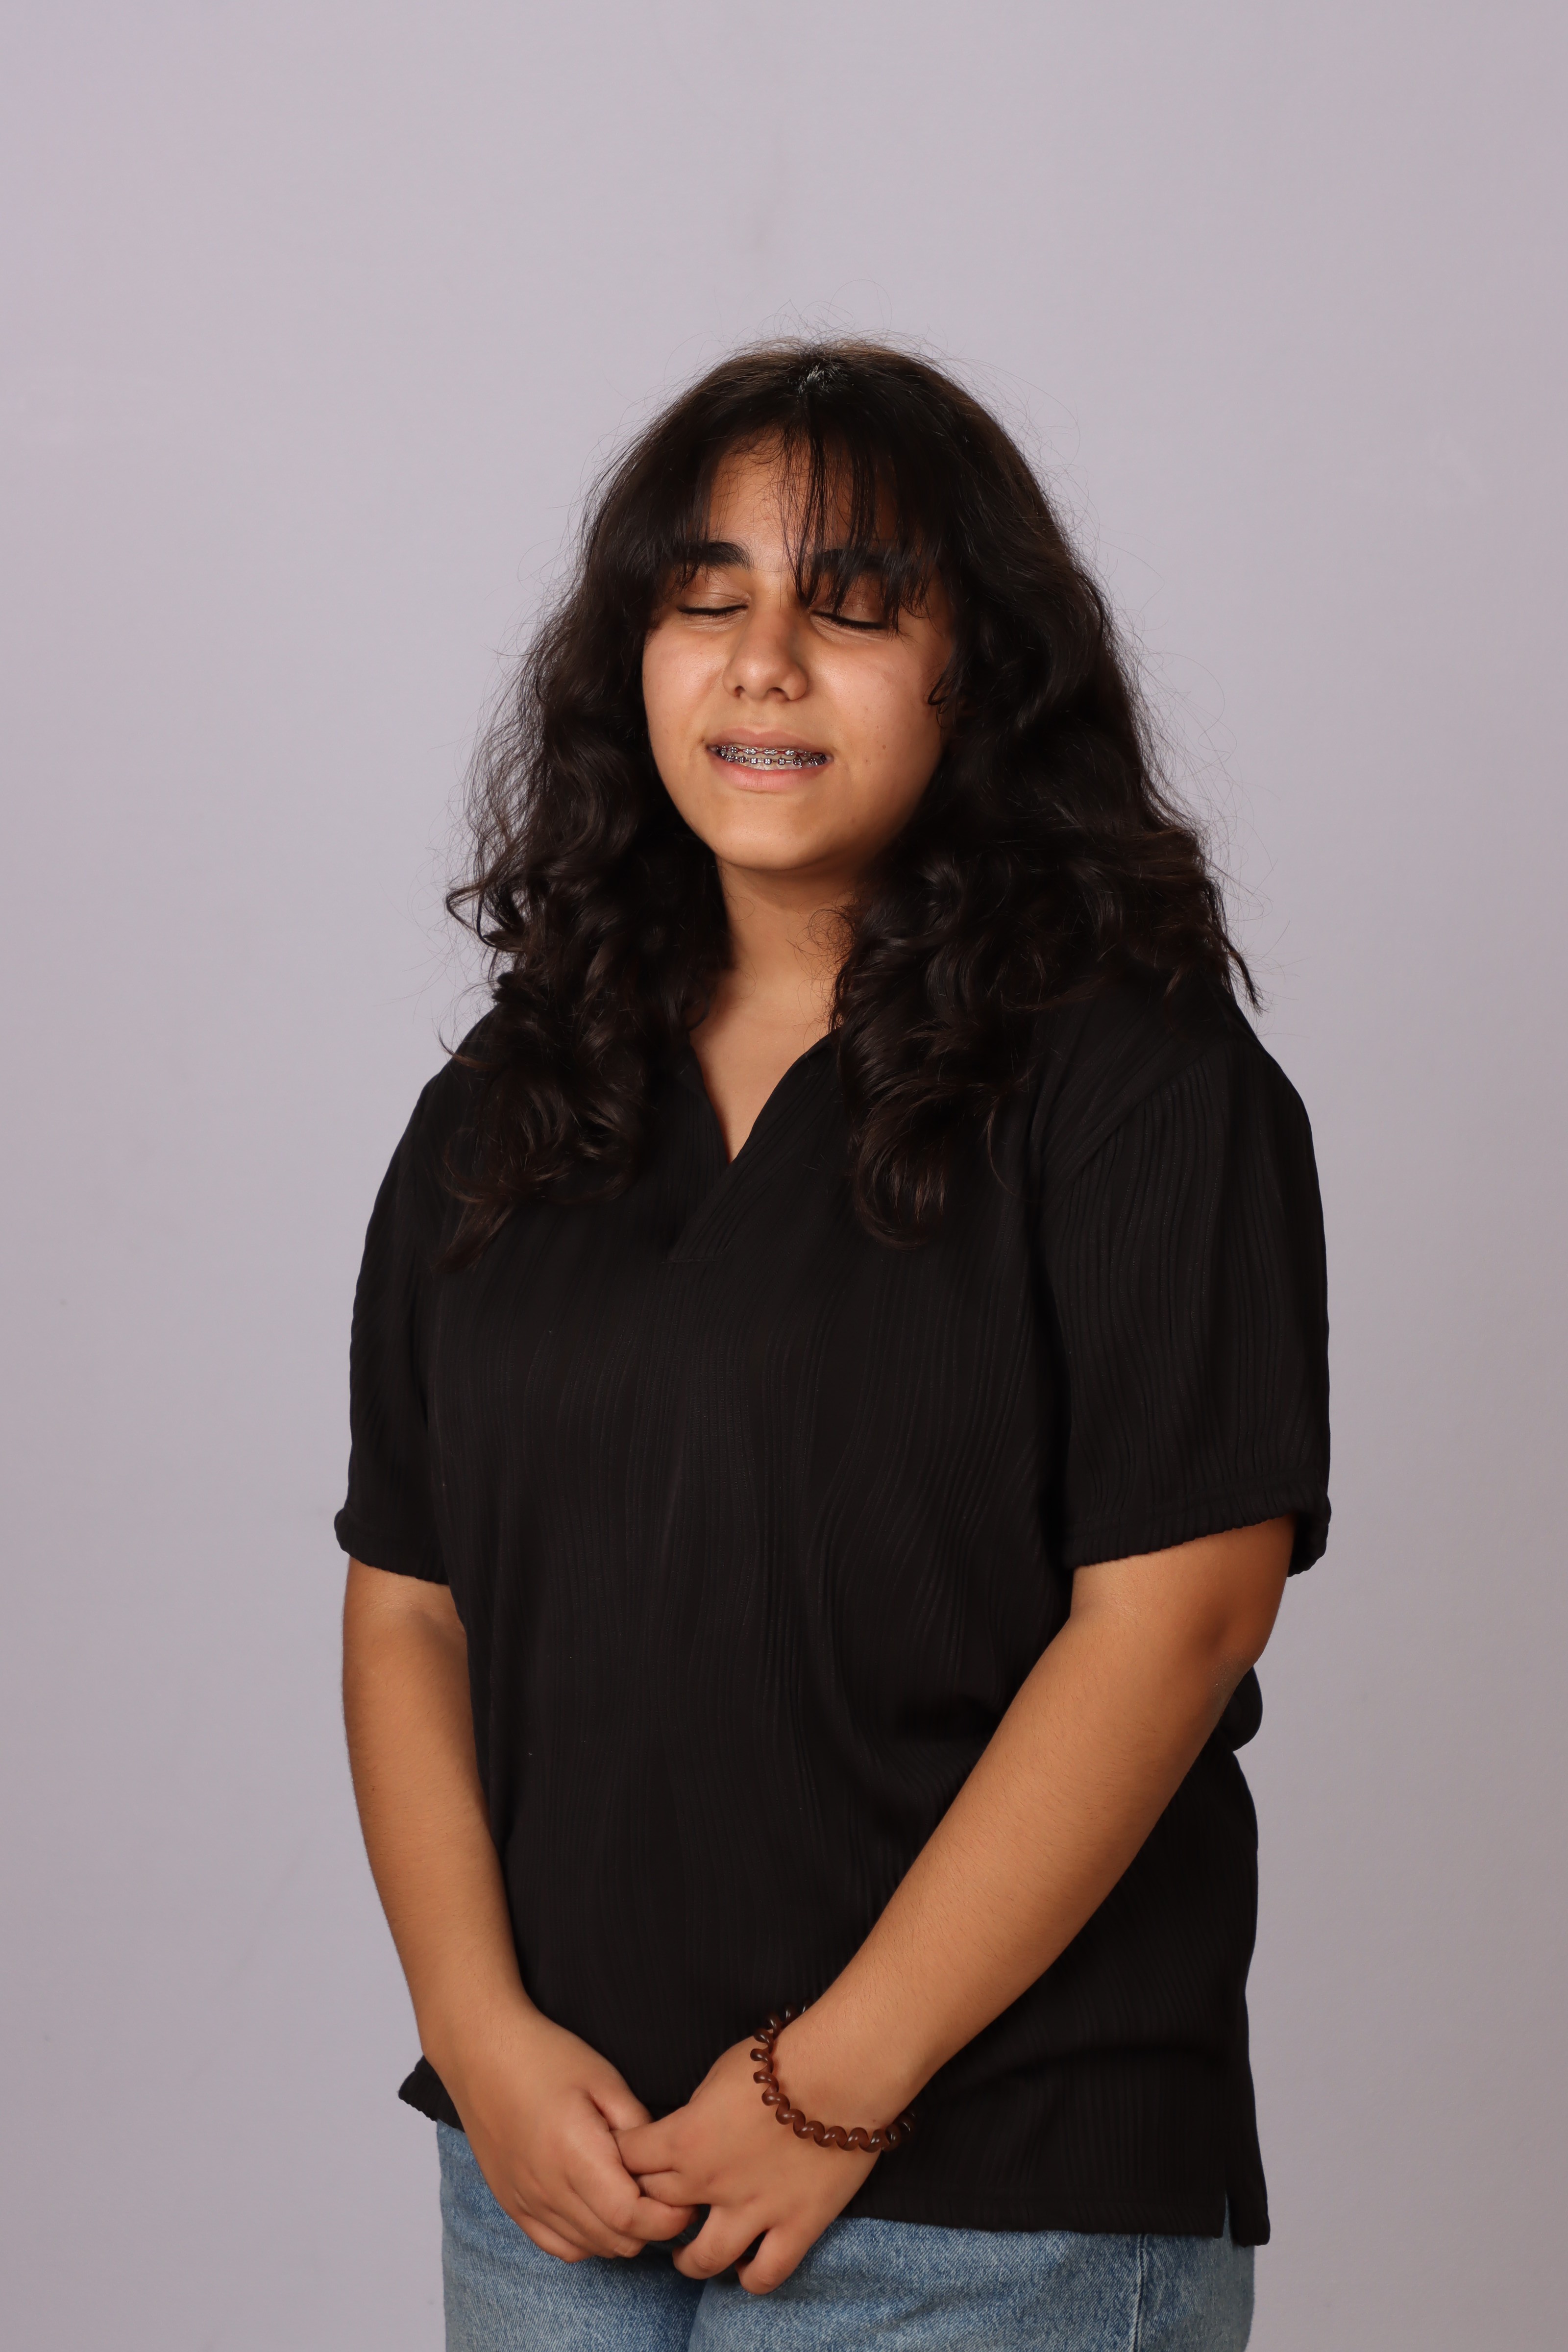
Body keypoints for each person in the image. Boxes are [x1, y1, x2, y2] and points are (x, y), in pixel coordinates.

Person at [336, 340, 1329, 2351]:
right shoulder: (508, 1103)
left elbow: (1178, 1618)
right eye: (702, 601)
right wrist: (480, 2036)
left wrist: (825, 2089)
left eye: (853, 606)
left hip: (991, 2201)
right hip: (553, 2179)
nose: (763, 665)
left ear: (983, 669)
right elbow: (409, 1605)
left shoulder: (1137, 1080)